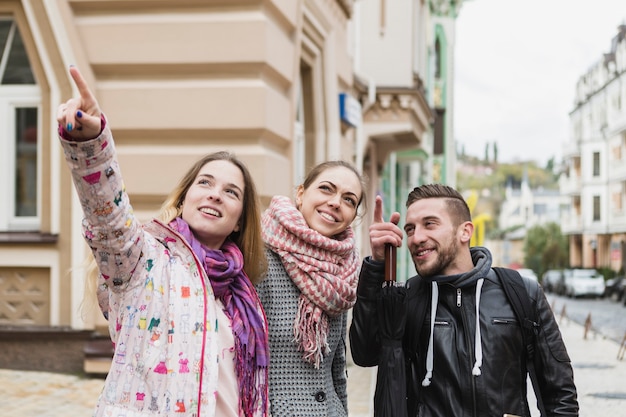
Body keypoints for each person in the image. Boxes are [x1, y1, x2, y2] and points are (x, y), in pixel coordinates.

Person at [57, 66, 269, 417]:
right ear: (184, 199)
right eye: (205, 183)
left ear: (240, 220)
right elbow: (108, 217)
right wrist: (90, 146)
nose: (215, 195)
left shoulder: (242, 294)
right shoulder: (144, 260)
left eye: (231, 192)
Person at [349, 184, 579, 417]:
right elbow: (364, 353)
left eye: (430, 224)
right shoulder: (407, 297)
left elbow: (559, 395)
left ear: (465, 231)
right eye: (410, 229)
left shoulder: (522, 293)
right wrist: (377, 265)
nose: (416, 237)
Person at [255, 161, 367, 416]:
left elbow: (337, 368)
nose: (336, 202)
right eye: (326, 189)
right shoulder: (257, 259)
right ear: (301, 194)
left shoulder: (342, 276)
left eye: (349, 200)